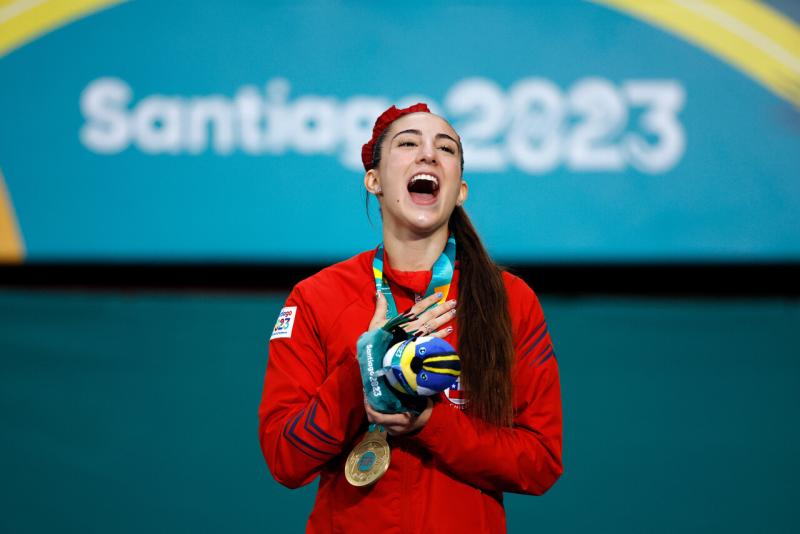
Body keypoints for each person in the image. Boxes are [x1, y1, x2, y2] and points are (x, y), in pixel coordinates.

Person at [258, 103, 563, 533]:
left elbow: (541, 462)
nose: (427, 155)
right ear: (374, 180)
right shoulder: (316, 298)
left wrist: (432, 424)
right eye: (408, 144)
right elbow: (284, 459)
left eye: (445, 148)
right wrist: (360, 369)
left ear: (460, 190)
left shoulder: (510, 300)